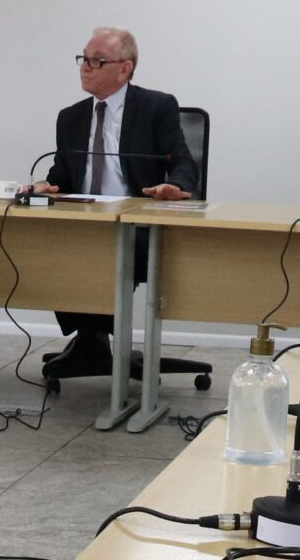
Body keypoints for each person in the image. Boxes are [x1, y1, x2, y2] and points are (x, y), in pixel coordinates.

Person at [31, 27, 200, 376]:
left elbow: (183, 162)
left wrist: (175, 187)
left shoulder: (156, 106)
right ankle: (90, 339)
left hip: (137, 219)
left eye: (97, 60)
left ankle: (93, 341)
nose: (85, 67)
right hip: (87, 217)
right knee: (48, 239)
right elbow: (63, 172)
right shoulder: (71, 116)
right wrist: (47, 185)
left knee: (107, 245)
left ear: (124, 69)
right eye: (84, 59)